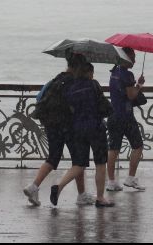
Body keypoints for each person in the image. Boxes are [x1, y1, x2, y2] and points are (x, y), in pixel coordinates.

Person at [23, 53, 96, 207]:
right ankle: (82, 195)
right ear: (79, 67)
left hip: (51, 123)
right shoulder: (76, 83)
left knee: (53, 157)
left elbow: (39, 97)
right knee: (79, 160)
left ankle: (33, 186)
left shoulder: (55, 80)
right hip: (69, 125)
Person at [49, 62, 114, 207]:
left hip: (77, 128)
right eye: (92, 72)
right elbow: (103, 104)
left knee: (79, 163)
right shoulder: (94, 85)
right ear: (88, 73)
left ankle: (59, 187)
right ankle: (100, 198)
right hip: (96, 127)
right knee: (100, 162)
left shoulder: (70, 88)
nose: (93, 75)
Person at [106, 47, 147, 192]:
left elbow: (123, 92)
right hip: (126, 116)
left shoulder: (114, 73)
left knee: (113, 149)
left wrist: (135, 86)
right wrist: (139, 85)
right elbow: (131, 95)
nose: (135, 60)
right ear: (125, 58)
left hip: (113, 115)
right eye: (132, 57)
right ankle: (130, 178)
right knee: (138, 146)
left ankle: (111, 182)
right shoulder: (127, 75)